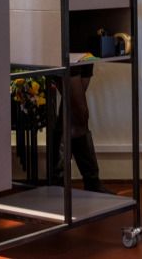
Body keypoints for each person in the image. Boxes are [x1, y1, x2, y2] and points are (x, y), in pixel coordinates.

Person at [51, 65, 113, 194]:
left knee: (72, 114)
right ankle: (90, 180)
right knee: (80, 113)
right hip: (66, 55)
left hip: (85, 55)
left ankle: (61, 180)